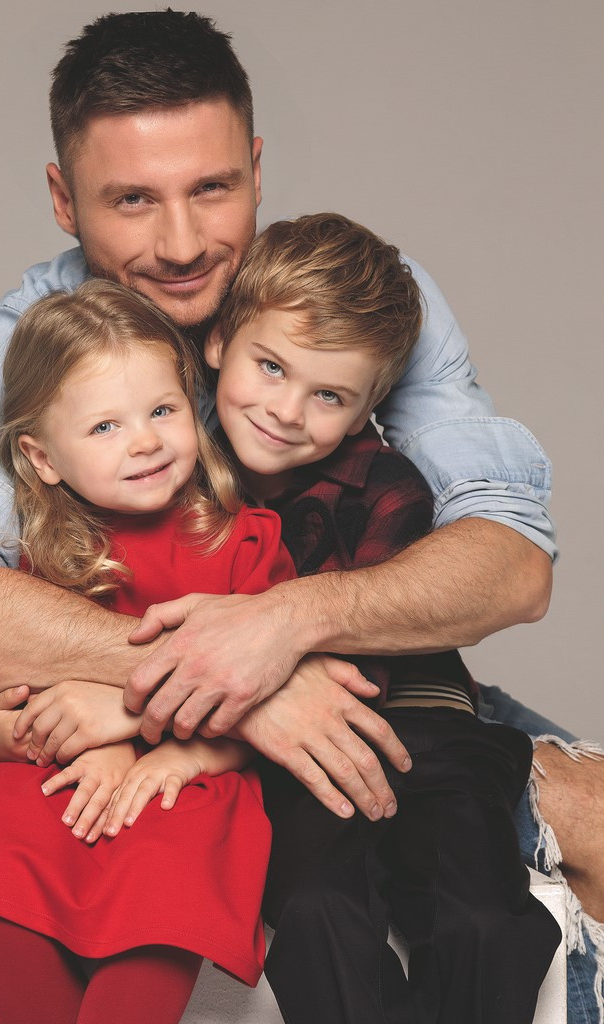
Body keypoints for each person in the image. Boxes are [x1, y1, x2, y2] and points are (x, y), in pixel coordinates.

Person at [0, 10, 603, 1019]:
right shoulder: (33, 341)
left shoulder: (342, 297)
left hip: (375, 682)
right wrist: (237, 687)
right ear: (62, 198)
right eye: (132, 199)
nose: (182, 243)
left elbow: (511, 565)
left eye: (212, 189)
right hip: (168, 721)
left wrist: (282, 628)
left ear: (257, 172)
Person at [0, 278, 314, 1024]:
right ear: (42, 458)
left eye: (162, 410)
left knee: (170, 880)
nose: (145, 440)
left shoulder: (244, 543)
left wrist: (164, 749)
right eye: (104, 426)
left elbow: (273, 707)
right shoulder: (33, 566)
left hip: (179, 786)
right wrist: (31, 736)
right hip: (61, 788)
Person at [197, 211, 562, 1022]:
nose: (286, 410)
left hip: (425, 730)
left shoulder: (388, 485)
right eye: (270, 367)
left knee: (482, 923)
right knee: (315, 914)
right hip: (297, 752)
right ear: (218, 340)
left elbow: (355, 654)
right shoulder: (181, 488)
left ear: (371, 405)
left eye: (327, 395)